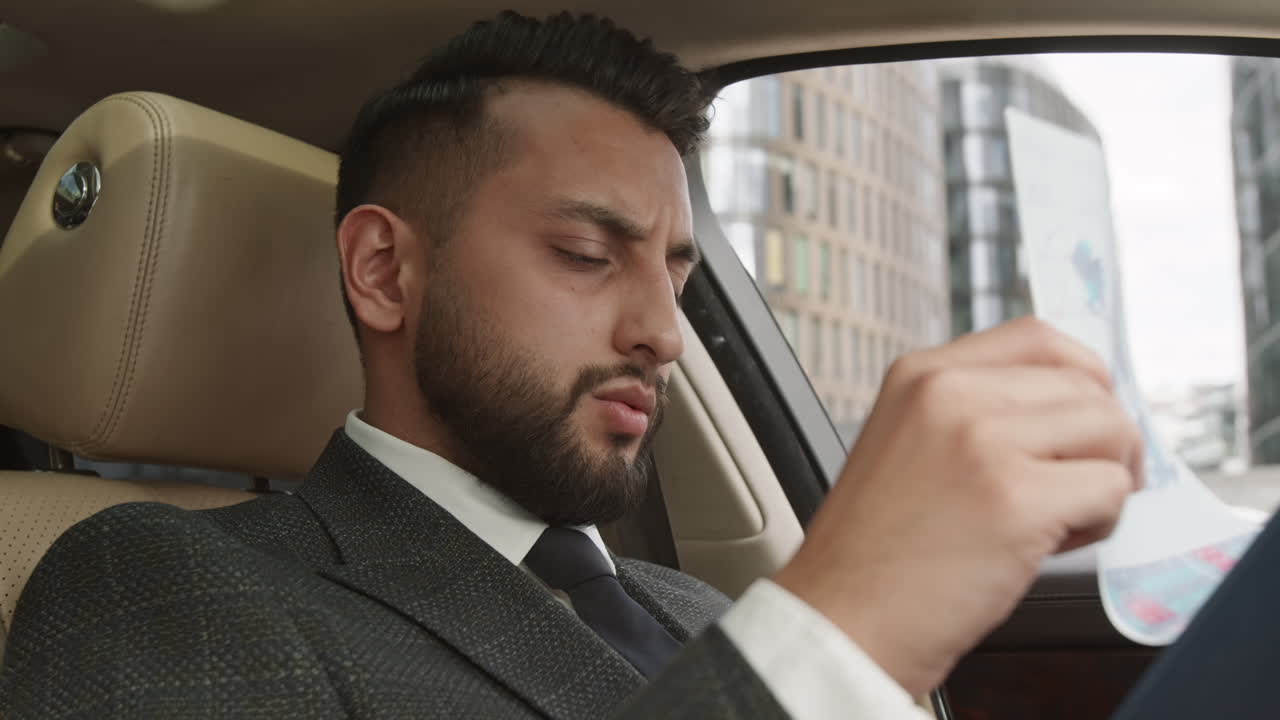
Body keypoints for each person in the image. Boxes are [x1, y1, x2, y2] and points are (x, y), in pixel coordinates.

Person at [0, 11, 1142, 718]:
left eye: (678, 276)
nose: (663, 332)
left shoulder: (691, 605)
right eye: (588, 254)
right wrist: (831, 635)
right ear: (385, 274)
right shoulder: (162, 589)